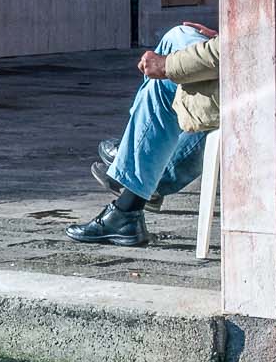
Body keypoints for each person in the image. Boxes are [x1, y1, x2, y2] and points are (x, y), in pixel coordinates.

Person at [69, 24, 221, 248]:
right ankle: (133, 180)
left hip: (255, 87)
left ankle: (133, 176)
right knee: (176, 37)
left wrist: (166, 65)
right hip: (254, 72)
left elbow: (240, 49)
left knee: (164, 82)